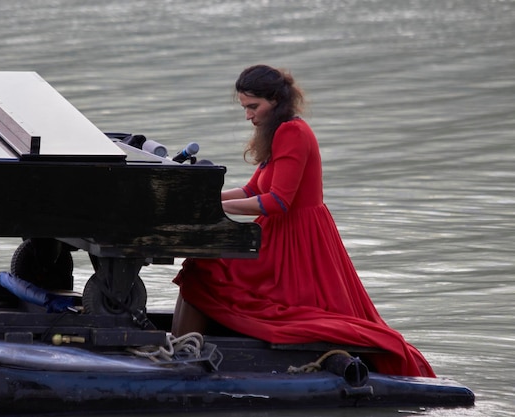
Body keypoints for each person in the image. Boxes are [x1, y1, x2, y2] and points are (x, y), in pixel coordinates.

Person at [171, 64, 435, 378]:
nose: (248, 116)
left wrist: (215, 210)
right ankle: (181, 349)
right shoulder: (277, 131)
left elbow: (278, 202)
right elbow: (254, 189)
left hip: (297, 239)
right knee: (202, 266)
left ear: (274, 101)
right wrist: (206, 200)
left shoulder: (292, 132)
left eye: (253, 107)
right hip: (279, 232)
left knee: (204, 268)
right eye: (245, 108)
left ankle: (180, 356)